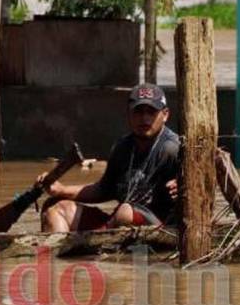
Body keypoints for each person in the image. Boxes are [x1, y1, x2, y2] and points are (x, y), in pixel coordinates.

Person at [41, 83, 180, 233]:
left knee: (125, 212)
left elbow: (205, 186)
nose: (144, 118)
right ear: (129, 114)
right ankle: (51, 256)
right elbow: (103, 190)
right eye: (138, 112)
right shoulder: (122, 147)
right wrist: (60, 190)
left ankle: (102, 245)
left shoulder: (173, 148)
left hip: (161, 227)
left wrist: (186, 187)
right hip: (119, 222)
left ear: (165, 114)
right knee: (54, 208)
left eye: (151, 112)